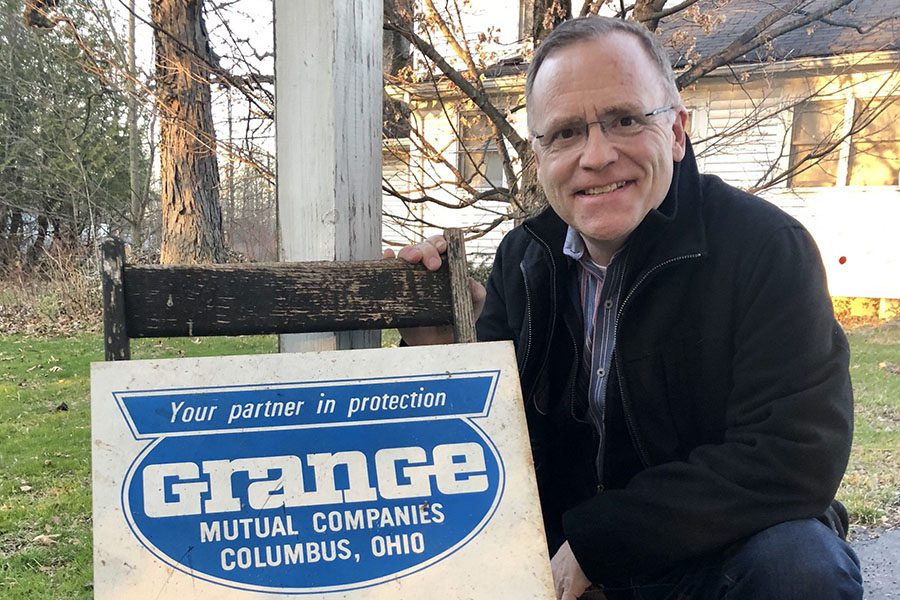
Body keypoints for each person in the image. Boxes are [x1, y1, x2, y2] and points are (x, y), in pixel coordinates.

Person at [388, 16, 862, 600]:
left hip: (714, 557)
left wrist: (598, 543)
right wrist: (439, 351)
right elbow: (490, 444)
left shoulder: (764, 248)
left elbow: (794, 456)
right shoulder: (525, 259)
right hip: (565, 553)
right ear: (538, 155)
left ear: (678, 131)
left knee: (800, 567)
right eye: (564, 132)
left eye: (625, 120)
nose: (596, 155)